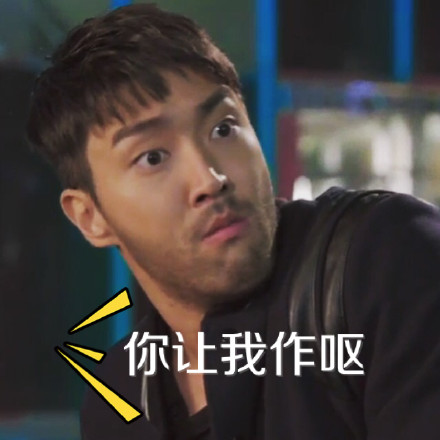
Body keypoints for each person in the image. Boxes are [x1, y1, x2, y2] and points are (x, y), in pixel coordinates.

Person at [26, 4, 440, 440]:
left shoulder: (380, 261)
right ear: (90, 217)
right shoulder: (119, 400)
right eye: (153, 157)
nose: (210, 179)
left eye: (223, 129)